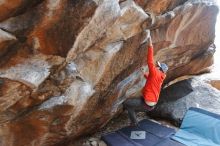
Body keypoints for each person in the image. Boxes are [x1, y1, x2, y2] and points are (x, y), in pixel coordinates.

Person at [123, 35, 168, 126]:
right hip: (151, 104)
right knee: (133, 103)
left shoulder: (155, 73)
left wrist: (150, 44)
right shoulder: (161, 76)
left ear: (159, 69)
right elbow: (151, 79)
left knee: (126, 103)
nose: (156, 66)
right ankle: (135, 114)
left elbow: (150, 61)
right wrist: (144, 73)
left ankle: (134, 123)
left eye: (158, 66)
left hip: (147, 103)